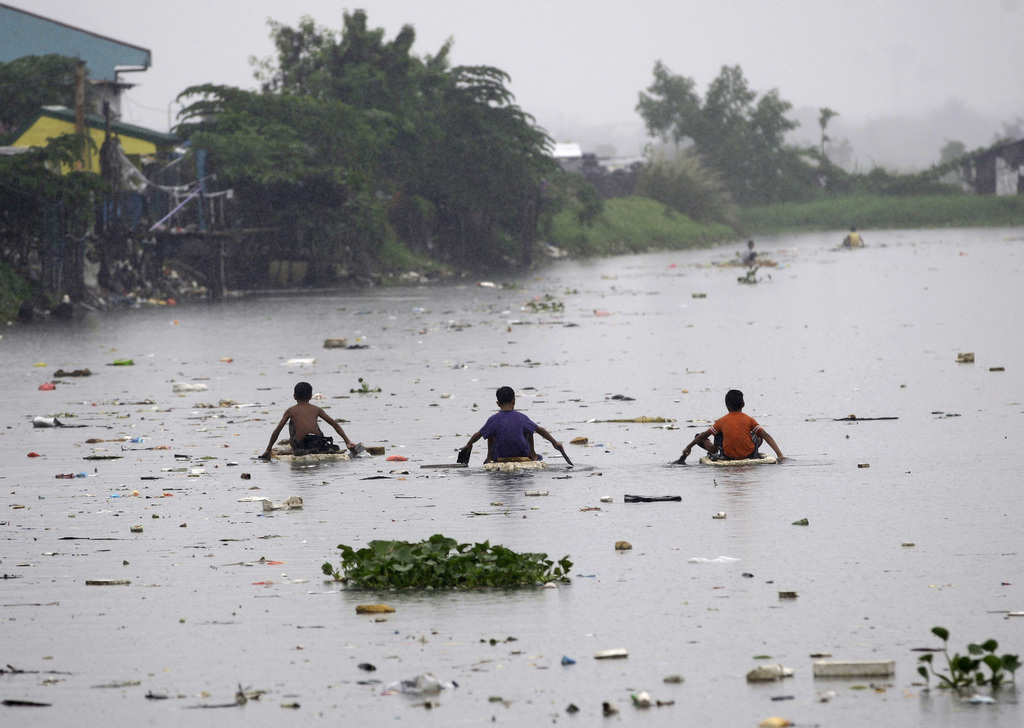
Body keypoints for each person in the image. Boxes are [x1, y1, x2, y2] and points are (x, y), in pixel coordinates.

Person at [460, 386, 563, 463]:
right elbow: (541, 431)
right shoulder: (522, 418)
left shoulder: (493, 419)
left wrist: (469, 444)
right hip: (522, 454)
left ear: (498, 403)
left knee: (490, 433)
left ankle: (489, 458)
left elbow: (477, 435)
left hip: (499, 456)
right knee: (529, 430)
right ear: (514, 401)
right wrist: (554, 443)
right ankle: (533, 456)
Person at [677, 389, 784, 463]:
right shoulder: (749, 420)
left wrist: (688, 447)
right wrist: (780, 455)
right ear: (743, 404)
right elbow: (766, 435)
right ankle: (742, 449)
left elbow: (703, 436)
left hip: (728, 456)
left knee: (703, 436)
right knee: (759, 435)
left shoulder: (722, 421)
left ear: (726, 406)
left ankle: (713, 449)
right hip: (750, 455)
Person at [260, 381, 355, 458]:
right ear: (310, 396)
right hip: (317, 444)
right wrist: (347, 441)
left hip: (300, 446)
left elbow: (277, 431)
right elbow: (334, 424)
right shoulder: (316, 409)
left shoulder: (290, 411)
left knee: (293, 421)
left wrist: (268, 449)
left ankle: (295, 449)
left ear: (294, 397)